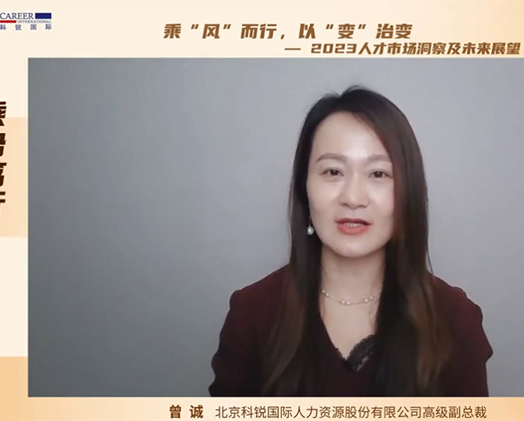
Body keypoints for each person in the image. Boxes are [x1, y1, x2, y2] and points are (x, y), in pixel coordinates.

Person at [209, 86, 493, 397]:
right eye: (333, 171)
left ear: (406, 193)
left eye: (378, 174)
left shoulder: (454, 320)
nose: (353, 198)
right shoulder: (252, 314)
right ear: (305, 188)